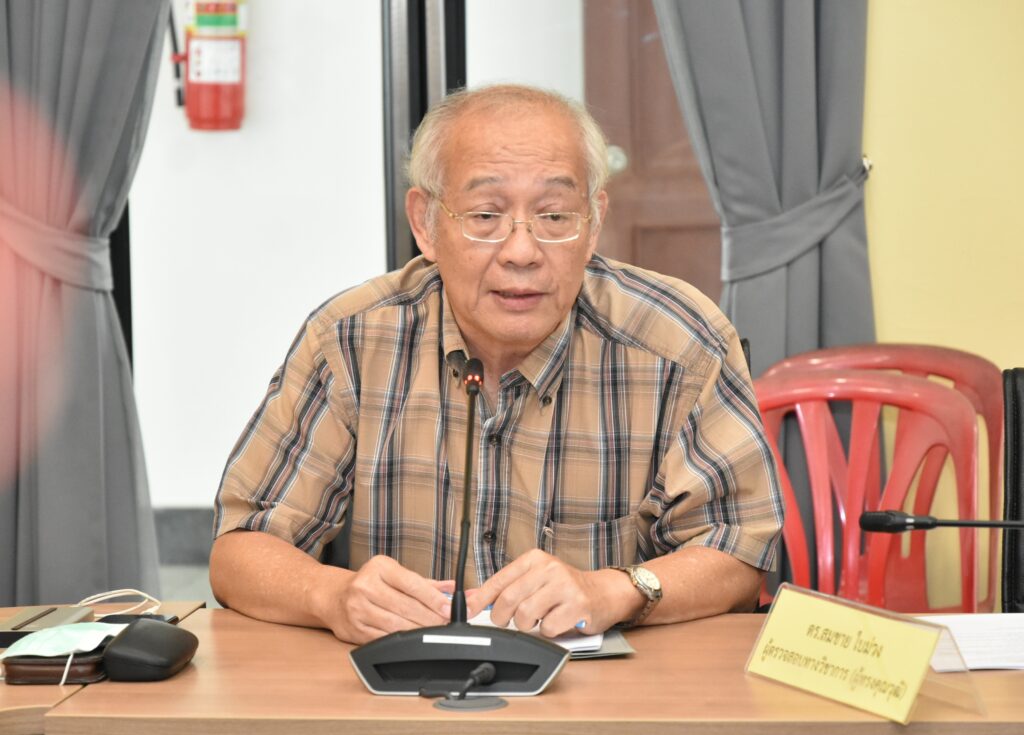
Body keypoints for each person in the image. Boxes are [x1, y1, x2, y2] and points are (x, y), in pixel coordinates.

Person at [210, 84, 782, 646]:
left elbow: (741, 550)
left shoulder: (679, 345)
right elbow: (240, 547)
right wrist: (331, 595)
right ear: (426, 224)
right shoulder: (351, 339)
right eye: (485, 215)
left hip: (609, 694)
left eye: (554, 216)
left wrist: (616, 590)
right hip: (402, 689)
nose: (521, 251)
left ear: (593, 222)